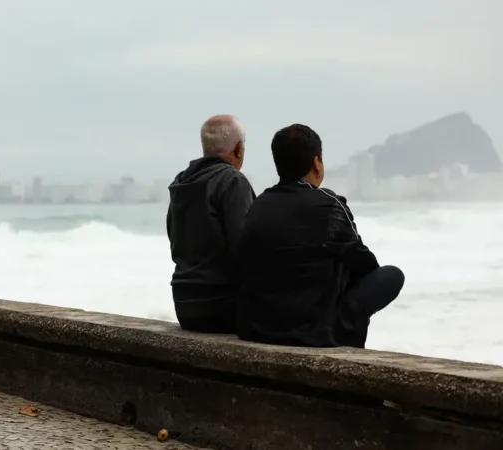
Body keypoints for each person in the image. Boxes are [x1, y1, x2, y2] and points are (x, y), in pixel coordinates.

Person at [237, 124, 404, 348]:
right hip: (315, 332)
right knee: (392, 275)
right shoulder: (328, 204)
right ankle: (345, 334)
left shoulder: (258, 205)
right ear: (317, 163)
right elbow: (365, 265)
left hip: (257, 328)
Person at [167, 115, 255, 333]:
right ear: (239, 149)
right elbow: (245, 248)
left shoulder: (182, 183)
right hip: (223, 306)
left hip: (184, 305)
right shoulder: (232, 181)